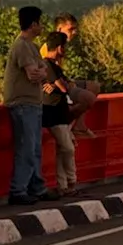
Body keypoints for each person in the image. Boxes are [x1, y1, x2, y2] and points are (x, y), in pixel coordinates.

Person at [5, 6, 53, 204]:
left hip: (33, 102)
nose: (42, 26)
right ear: (33, 24)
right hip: (23, 103)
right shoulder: (23, 46)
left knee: (34, 147)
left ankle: (36, 187)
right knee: (27, 147)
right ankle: (18, 191)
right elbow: (35, 74)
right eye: (40, 22)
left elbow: (43, 70)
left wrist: (40, 72)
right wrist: (41, 73)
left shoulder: (32, 46)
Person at [41, 13, 100, 138]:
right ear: (59, 29)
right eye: (71, 29)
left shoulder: (61, 47)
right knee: (87, 98)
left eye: (75, 29)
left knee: (94, 87)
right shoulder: (49, 49)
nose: (74, 32)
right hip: (54, 90)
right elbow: (45, 72)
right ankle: (66, 124)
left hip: (62, 83)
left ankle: (79, 126)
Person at [40, 31, 78, 196]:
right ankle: (71, 182)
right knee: (68, 148)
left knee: (63, 149)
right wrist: (62, 85)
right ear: (59, 47)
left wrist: (60, 85)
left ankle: (64, 185)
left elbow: (67, 84)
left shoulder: (53, 66)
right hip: (54, 113)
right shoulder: (48, 65)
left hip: (58, 112)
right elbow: (66, 87)